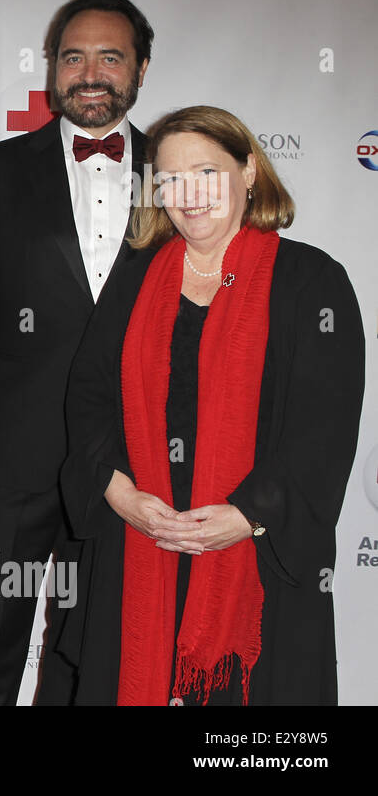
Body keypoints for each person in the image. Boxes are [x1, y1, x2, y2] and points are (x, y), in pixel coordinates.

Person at [60, 105, 364, 705]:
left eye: (205, 172)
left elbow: (323, 426)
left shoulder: (311, 282)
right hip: (141, 543)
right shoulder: (135, 280)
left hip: (257, 557)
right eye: (170, 179)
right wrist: (119, 495)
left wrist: (246, 516)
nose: (187, 194)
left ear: (249, 172)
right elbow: (88, 398)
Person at [0, 0, 153, 705]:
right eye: (73, 57)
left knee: (95, 640)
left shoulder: (178, 170)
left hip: (135, 455)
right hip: (11, 450)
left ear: (141, 69)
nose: (89, 73)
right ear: (52, 69)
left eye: (110, 57)